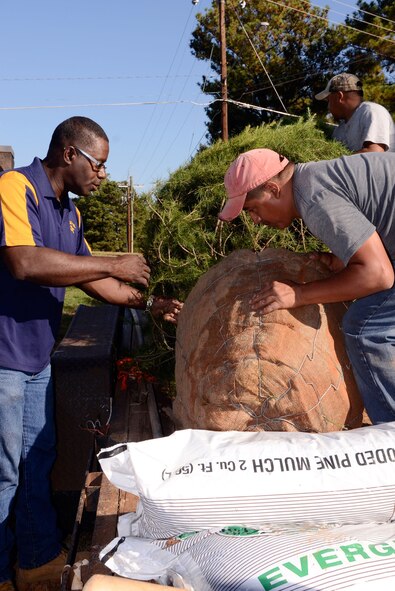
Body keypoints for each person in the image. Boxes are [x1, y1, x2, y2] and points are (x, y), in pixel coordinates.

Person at [0, 116, 182, 591]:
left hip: (36, 356)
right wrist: (112, 260)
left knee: (37, 459)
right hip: (2, 358)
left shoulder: (70, 212)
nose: (102, 174)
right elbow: (24, 261)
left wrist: (153, 304)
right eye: (98, 164)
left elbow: (89, 278)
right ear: (69, 154)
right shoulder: (15, 187)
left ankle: (36, 560)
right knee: (3, 473)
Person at [218, 147, 395, 426]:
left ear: (273, 189)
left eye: (252, 209)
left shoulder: (313, 199)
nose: (255, 220)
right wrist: (343, 257)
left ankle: (388, 440)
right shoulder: (312, 179)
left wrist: (299, 293)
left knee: (365, 329)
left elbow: (378, 274)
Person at [315, 73, 395, 153]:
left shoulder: (371, 111)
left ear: (339, 96)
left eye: (328, 101)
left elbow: (374, 153)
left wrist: (334, 161)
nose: (328, 107)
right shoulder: (339, 130)